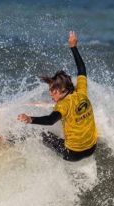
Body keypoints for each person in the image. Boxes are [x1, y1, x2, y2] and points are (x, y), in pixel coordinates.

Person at [17, 31, 98, 162]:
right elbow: (82, 69)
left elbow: (50, 120)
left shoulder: (63, 105)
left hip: (72, 154)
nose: (50, 93)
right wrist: (73, 47)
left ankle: (6, 140)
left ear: (63, 90)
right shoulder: (81, 91)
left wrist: (30, 119)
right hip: (92, 148)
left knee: (41, 134)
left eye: (53, 91)